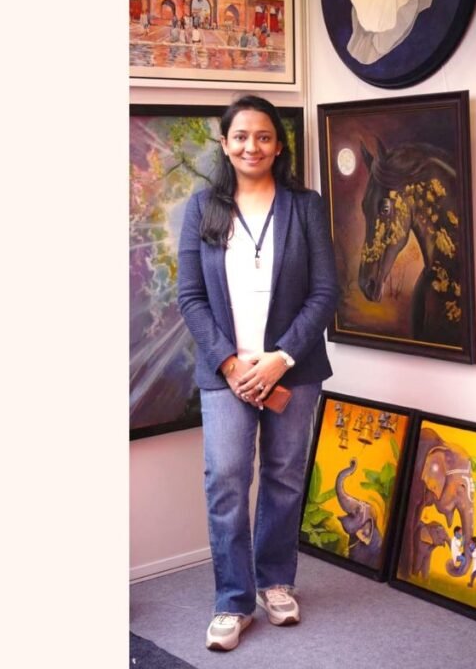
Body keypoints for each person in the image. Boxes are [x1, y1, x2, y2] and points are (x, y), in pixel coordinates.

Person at [177, 95, 338, 652]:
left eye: (264, 136)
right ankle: (232, 600)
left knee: (284, 475)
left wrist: (280, 358)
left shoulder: (305, 206)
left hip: (292, 369)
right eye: (241, 136)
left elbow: (325, 292)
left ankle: (275, 582)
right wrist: (230, 361)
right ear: (225, 144)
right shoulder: (203, 208)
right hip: (226, 371)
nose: (253, 146)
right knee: (225, 479)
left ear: (279, 144)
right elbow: (190, 296)